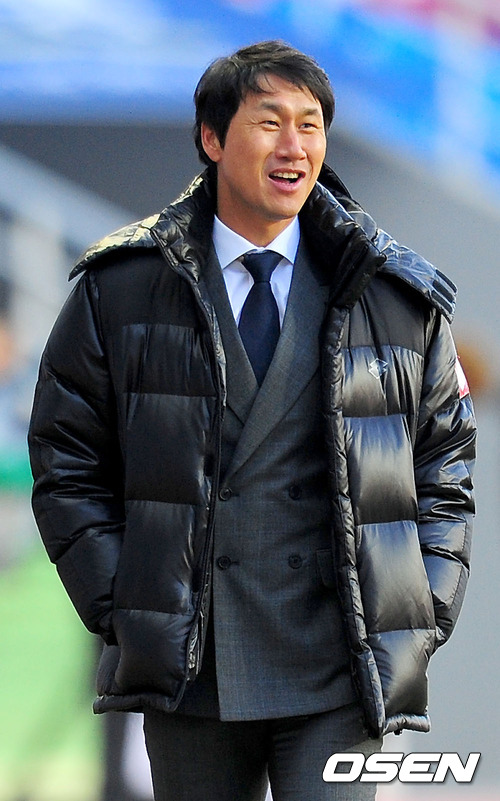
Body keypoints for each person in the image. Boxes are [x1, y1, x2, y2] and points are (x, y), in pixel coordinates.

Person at [28, 40, 476, 801]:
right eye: (270, 122)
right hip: (192, 670)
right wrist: (126, 605)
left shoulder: (393, 292)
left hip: (341, 668)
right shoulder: (122, 286)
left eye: (310, 124)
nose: (294, 146)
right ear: (212, 139)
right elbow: (66, 460)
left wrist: (419, 611)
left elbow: (446, 466)